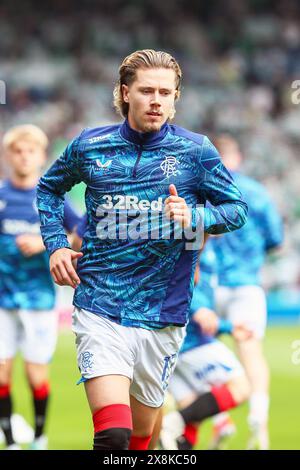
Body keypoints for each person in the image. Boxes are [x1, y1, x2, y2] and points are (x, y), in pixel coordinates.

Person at [36, 49, 247, 451]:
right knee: (112, 436)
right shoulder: (90, 145)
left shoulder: (196, 152)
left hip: (163, 313)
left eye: (165, 93)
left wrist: (195, 218)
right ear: (124, 92)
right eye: (146, 90)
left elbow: (236, 210)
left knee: (140, 441)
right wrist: (57, 244)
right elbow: (48, 189)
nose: (156, 100)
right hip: (100, 305)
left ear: (175, 98)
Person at [0, 125, 80, 450]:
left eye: (30, 151)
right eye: (18, 151)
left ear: (41, 156)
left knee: (37, 376)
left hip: (39, 299)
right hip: (2, 300)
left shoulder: (50, 198)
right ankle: (10, 441)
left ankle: (39, 438)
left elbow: (80, 235)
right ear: (9, 156)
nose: (23, 156)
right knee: (1, 375)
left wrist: (46, 243)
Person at [211, 134, 283, 450]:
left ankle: (219, 419)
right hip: (246, 284)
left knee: (205, 353)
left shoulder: (203, 191)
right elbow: (276, 242)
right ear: (236, 157)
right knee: (251, 352)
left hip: (208, 285)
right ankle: (258, 418)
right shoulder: (256, 192)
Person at [159, 240, 251, 450]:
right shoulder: (193, 238)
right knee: (241, 387)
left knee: (193, 414)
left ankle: (174, 436)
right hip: (192, 341)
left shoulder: (208, 243)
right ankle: (171, 422)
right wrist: (201, 311)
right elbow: (183, 280)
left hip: (168, 345)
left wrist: (226, 327)